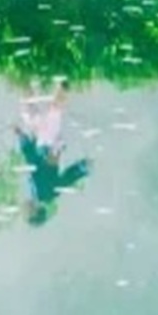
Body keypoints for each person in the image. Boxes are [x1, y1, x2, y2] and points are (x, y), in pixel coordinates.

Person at [15, 76, 91, 225]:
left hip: (42, 144)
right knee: (53, 112)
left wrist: (22, 138)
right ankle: (65, 81)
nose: (23, 210)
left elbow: (33, 163)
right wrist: (82, 168)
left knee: (29, 112)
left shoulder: (37, 193)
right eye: (26, 214)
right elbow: (65, 179)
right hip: (48, 146)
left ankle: (25, 75)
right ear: (35, 212)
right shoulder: (46, 194)